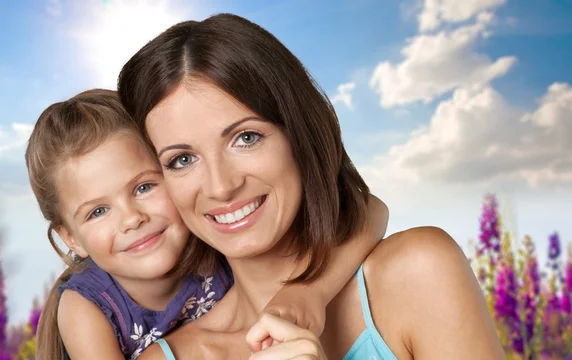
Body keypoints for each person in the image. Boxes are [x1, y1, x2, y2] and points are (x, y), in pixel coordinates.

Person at [117, 13, 505, 359]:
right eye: (182, 160)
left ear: (299, 134)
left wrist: (310, 293)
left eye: (246, 138)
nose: (221, 187)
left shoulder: (418, 274)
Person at [26, 89, 389, 359]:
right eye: (98, 212)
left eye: (144, 187)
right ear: (71, 238)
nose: (132, 218)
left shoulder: (215, 233)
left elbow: (369, 209)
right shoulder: (85, 307)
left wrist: (311, 291)